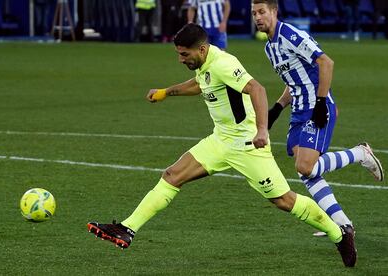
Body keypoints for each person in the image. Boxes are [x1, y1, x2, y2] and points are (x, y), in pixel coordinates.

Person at [87, 23, 357, 267]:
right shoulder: (206, 65)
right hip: (220, 139)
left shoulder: (223, 63)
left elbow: (257, 89)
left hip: (246, 145)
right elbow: (201, 84)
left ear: (202, 49)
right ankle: (127, 228)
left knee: (284, 201)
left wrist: (262, 130)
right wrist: (167, 92)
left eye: (184, 55)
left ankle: (339, 234)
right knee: (171, 175)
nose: (181, 59)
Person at [251, 0, 384, 237]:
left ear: (274, 11)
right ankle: (343, 223)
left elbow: (326, 62)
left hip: (316, 107)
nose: (257, 17)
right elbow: (293, 81)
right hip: (299, 111)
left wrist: (322, 102)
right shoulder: (269, 48)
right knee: (305, 169)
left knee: (305, 165)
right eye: (254, 13)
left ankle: (360, 154)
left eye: (262, 12)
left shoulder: (290, 34)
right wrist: (277, 108)